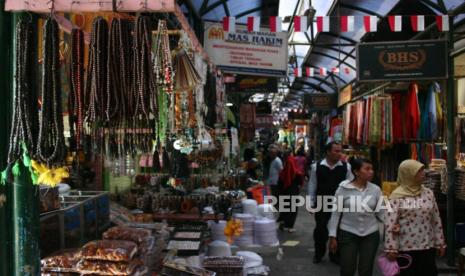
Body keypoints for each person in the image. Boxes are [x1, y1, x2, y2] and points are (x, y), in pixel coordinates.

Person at [384, 159, 445, 276]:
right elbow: (390, 223)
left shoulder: (428, 193)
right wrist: (391, 248)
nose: (424, 173)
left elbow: (436, 219)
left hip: (427, 246)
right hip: (405, 247)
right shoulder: (396, 196)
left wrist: (440, 242)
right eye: (419, 171)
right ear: (408, 174)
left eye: (423, 169)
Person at [328, 158, 382, 276]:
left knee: (366, 270)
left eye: (372, 169)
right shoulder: (343, 188)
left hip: (370, 233)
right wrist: (332, 236)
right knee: (347, 269)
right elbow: (336, 213)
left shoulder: (375, 189)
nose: (371, 172)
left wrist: (393, 223)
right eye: (367, 169)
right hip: (348, 232)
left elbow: (381, 212)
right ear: (356, 172)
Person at [308, 141, 354, 264]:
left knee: (339, 231)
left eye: (340, 151)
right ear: (328, 152)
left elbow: (351, 186)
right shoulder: (316, 167)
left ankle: (335, 255)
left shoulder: (346, 167)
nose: (339, 154)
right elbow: (312, 185)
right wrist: (310, 203)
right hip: (321, 203)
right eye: (336, 151)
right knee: (321, 230)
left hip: (340, 205)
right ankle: (319, 254)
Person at [278, 149, 302, 233]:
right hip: (292, 189)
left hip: (285, 189)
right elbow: (297, 174)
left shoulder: (286, 163)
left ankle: (283, 222)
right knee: (292, 207)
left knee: (285, 206)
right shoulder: (292, 162)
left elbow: (283, 177)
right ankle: (290, 226)